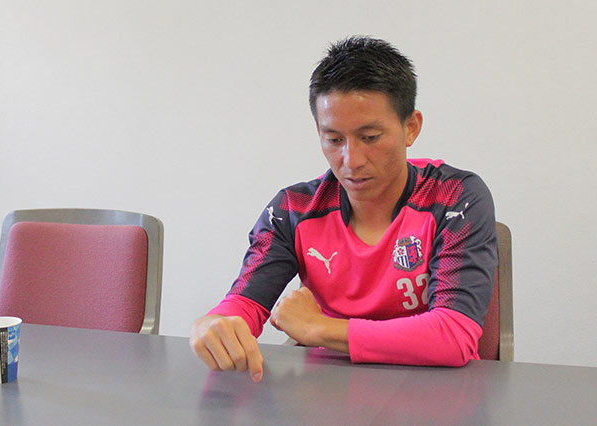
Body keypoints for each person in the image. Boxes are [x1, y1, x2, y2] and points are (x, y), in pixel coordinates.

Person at [189, 36, 497, 382]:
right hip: (326, 391)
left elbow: (453, 336)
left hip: (436, 392)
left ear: (411, 127)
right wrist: (215, 324)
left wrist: (320, 328)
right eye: (334, 140)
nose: (351, 161)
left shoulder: (455, 197)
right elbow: (244, 304)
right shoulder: (294, 209)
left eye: (370, 137)